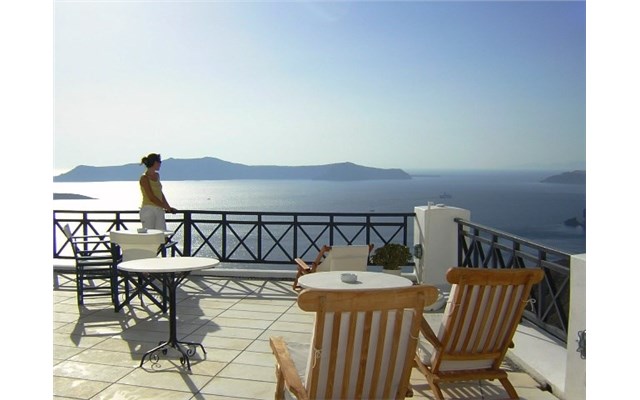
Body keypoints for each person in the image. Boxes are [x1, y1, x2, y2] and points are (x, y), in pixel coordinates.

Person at [139, 153, 177, 230]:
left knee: (161, 235)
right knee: (150, 236)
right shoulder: (144, 178)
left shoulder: (157, 175)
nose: (160, 164)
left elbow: (160, 194)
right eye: (159, 162)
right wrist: (167, 207)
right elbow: (151, 197)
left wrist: (168, 207)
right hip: (148, 209)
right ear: (155, 163)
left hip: (159, 209)